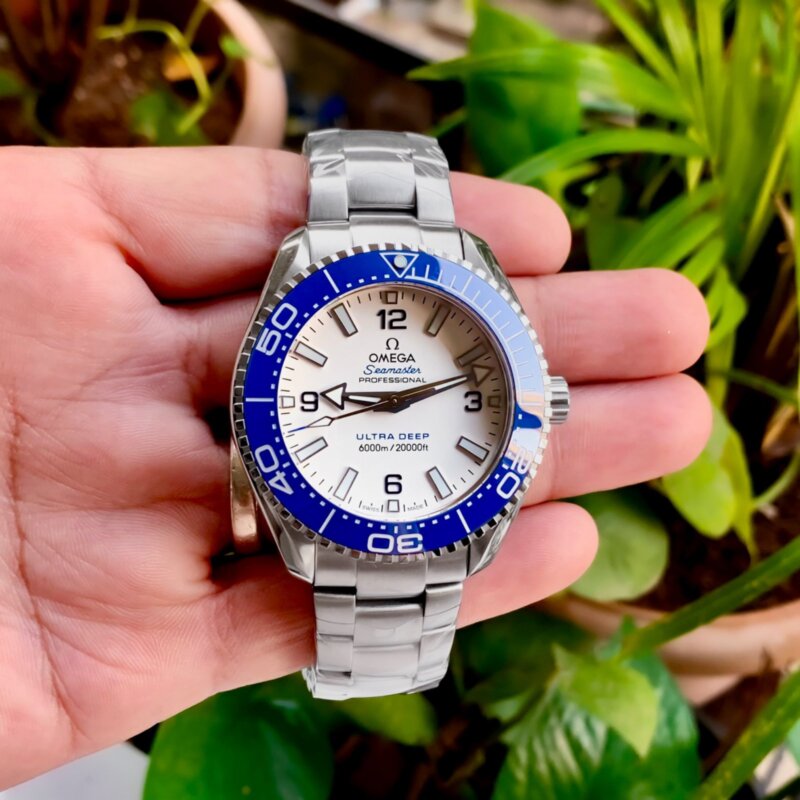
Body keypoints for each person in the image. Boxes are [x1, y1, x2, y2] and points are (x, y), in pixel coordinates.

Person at [0, 146, 711, 789]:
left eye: (403, 401)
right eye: (393, 402)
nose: (396, 406)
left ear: (540, 399)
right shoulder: (314, 308)